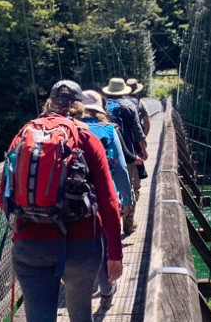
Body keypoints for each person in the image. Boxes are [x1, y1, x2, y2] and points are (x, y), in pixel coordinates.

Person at [0, 80, 123, 322]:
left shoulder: (24, 135)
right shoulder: (86, 138)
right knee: (80, 316)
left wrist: (33, 211)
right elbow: (108, 201)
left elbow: (1, 197)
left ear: (49, 103)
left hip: (30, 244)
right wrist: (115, 252)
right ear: (79, 107)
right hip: (82, 243)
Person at [77, 89, 134, 307]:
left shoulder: (70, 130)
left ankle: (83, 283)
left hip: (76, 200)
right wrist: (127, 199)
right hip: (104, 199)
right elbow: (120, 168)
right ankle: (106, 288)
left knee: (80, 240)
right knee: (104, 243)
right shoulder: (108, 130)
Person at [102, 77, 146, 235]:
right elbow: (138, 132)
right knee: (132, 186)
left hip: (106, 155)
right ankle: (128, 220)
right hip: (128, 154)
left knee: (110, 187)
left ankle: (111, 222)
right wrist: (143, 151)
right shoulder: (129, 105)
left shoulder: (102, 107)